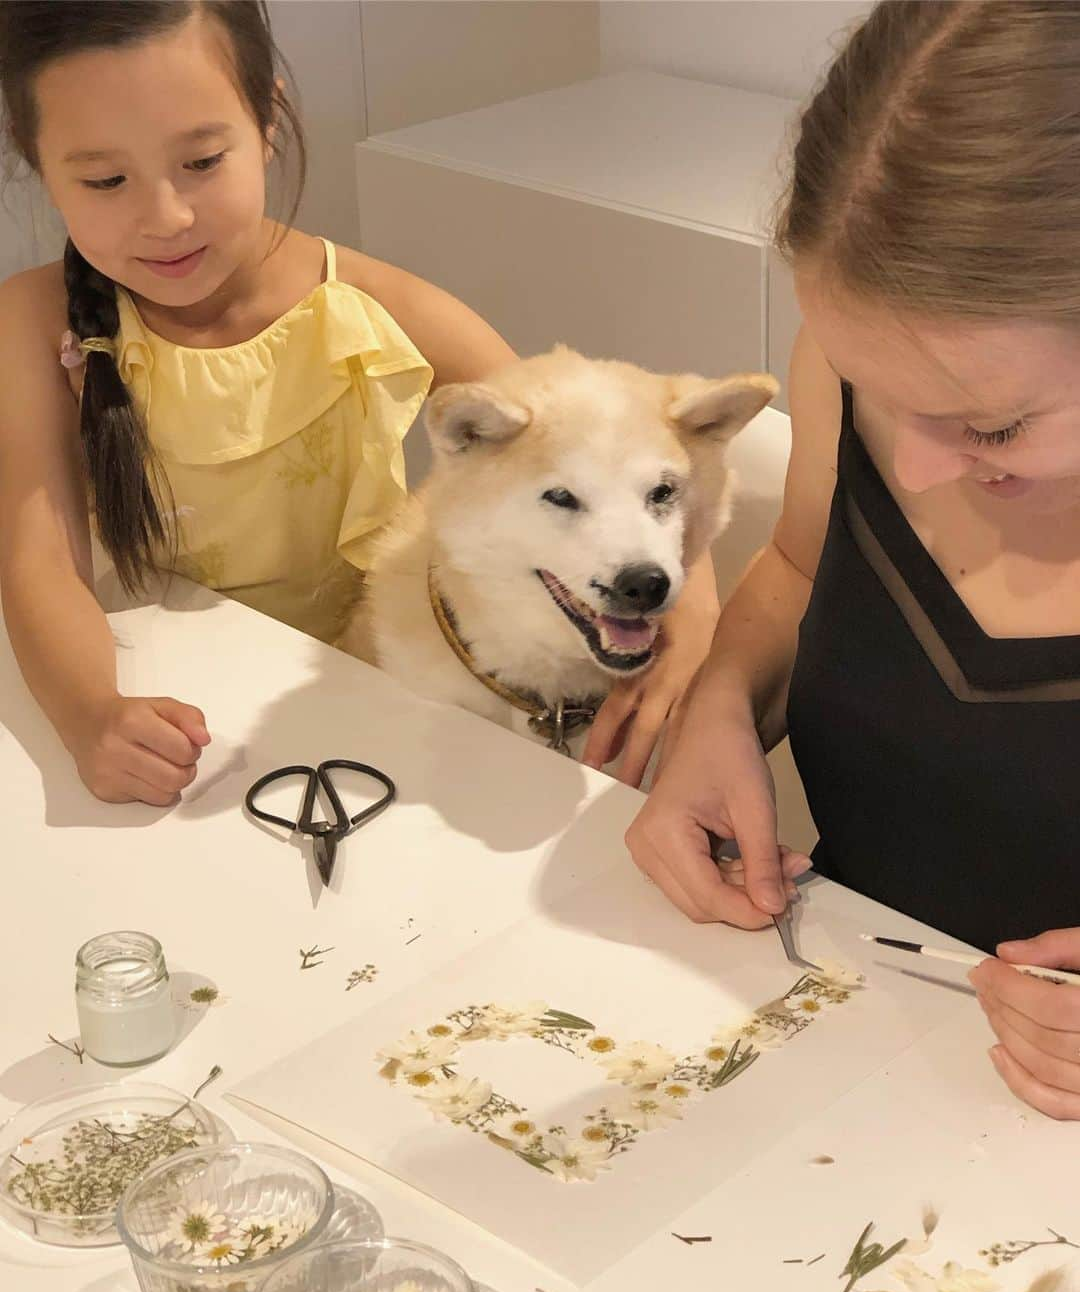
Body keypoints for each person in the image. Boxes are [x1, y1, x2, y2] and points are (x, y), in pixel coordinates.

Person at [0, 0, 718, 808]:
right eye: (105, 180)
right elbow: (39, 563)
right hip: (157, 693)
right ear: (37, 158)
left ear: (267, 119)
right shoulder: (34, 322)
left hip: (360, 700)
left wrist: (695, 609)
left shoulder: (368, 302)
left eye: (201, 161)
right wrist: (89, 713)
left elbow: (601, 449)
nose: (166, 216)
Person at [628, 0, 1080, 1121]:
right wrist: (720, 707)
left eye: (991, 426)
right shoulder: (870, 364)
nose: (915, 469)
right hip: (842, 1048)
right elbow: (799, 568)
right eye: (875, 390)